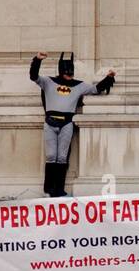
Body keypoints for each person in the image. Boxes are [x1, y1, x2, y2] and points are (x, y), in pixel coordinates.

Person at [31, 52, 116, 197]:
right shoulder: (48, 82)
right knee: (51, 155)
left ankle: (58, 189)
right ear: (61, 71)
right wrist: (37, 60)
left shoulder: (79, 85)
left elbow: (95, 89)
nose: (69, 76)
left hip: (66, 123)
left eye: (70, 73)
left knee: (62, 157)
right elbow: (34, 76)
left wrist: (108, 78)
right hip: (50, 122)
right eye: (66, 73)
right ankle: (49, 189)